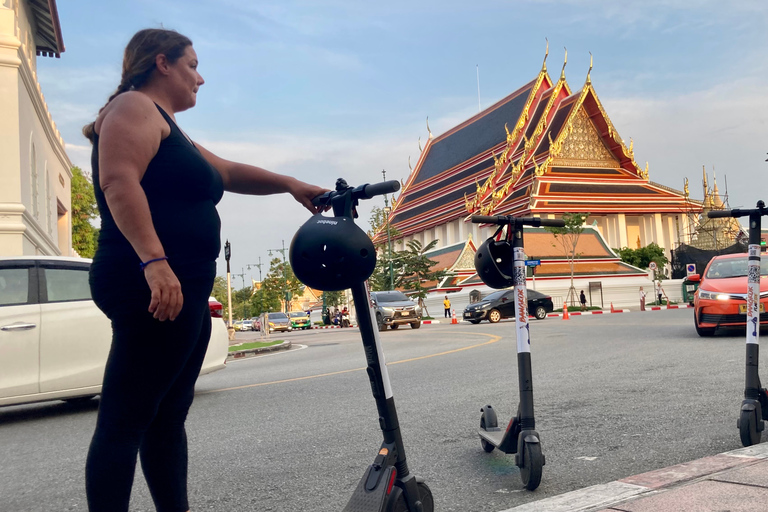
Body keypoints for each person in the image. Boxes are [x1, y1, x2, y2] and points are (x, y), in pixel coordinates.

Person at [82, 28, 327, 512]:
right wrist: (154, 261)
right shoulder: (132, 108)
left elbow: (228, 173)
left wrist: (291, 184)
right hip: (150, 283)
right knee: (125, 421)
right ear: (162, 63)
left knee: (166, 418)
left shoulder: (169, 127)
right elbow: (118, 181)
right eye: (192, 65)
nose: (201, 77)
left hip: (184, 285)